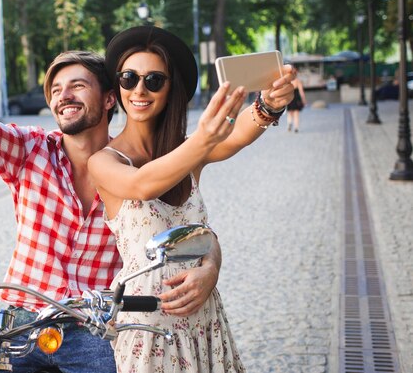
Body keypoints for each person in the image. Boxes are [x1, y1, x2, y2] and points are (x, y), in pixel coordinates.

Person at [0, 7, 223, 373]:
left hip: (94, 329)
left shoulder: (140, 166)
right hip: (19, 322)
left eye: (78, 85)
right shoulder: (29, 150)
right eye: (56, 90)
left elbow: (186, 227)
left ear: (111, 98)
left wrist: (211, 266)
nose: (64, 95)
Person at [88, 26, 296, 372]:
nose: (139, 89)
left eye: (154, 80)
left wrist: (268, 104)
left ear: (171, 89)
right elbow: (143, 185)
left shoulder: (187, 150)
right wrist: (202, 140)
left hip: (203, 315)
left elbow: (239, 135)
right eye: (128, 78)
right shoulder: (104, 161)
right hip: (146, 324)